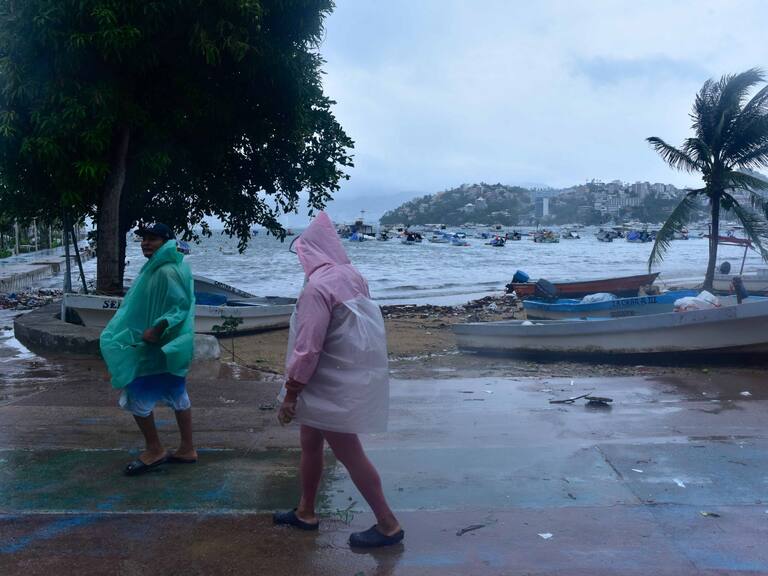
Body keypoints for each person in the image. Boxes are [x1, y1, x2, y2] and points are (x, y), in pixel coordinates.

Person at [273, 212, 404, 548]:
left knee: (349, 452)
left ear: (309, 252)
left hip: (325, 383)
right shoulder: (352, 275)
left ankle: (388, 524)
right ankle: (305, 511)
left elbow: (308, 348)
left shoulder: (317, 288)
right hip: (342, 376)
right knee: (310, 443)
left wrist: (290, 393)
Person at [99, 223, 196, 476]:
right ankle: (187, 448)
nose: (145, 243)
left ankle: (155, 448)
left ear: (167, 242)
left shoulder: (166, 271)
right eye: (144, 239)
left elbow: (180, 306)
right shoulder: (166, 266)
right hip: (169, 348)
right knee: (177, 393)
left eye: (153, 239)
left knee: (136, 395)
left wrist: (157, 329)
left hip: (157, 346)